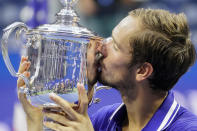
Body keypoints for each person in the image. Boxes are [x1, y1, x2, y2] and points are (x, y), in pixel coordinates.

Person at [17, 8, 197, 131]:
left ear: (142, 71)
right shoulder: (105, 119)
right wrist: (35, 120)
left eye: (116, 45)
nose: (101, 45)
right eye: (110, 36)